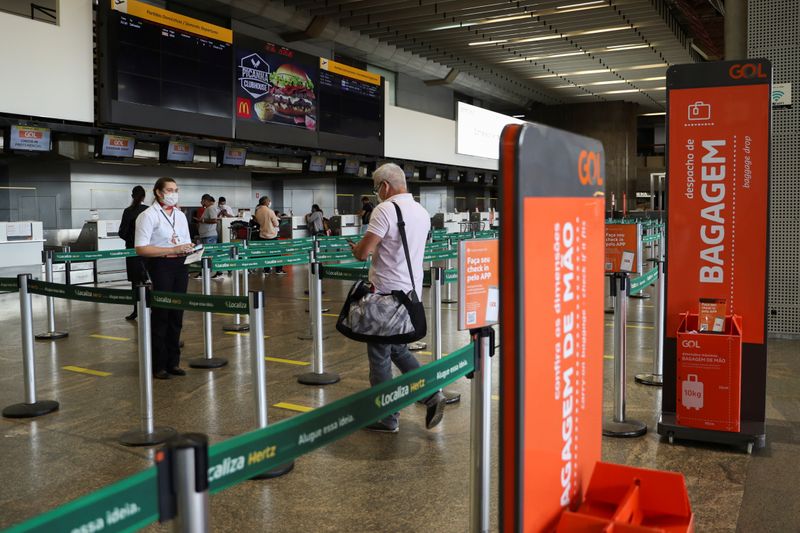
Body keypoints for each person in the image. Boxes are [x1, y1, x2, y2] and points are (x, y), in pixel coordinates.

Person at [349, 163, 446, 433]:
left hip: (385, 298)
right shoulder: (421, 211)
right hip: (410, 294)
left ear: (384, 186)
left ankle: (387, 417)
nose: (377, 193)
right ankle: (430, 394)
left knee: (379, 355)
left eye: (376, 188)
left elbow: (362, 252)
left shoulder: (385, 210)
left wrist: (357, 248)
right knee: (397, 349)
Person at [134, 177, 195, 379]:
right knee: (161, 315)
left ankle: (173, 362)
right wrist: (172, 249)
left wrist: (189, 248)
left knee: (176, 315)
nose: (174, 193)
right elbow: (141, 248)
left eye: (176, 189)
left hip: (180, 265)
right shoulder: (148, 216)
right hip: (161, 265)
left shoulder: (180, 215)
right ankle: (158, 364)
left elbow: (185, 240)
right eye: (170, 190)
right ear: (159, 192)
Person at [118, 186, 148, 321]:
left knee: (135, 282)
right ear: (144, 196)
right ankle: (150, 308)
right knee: (149, 280)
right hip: (149, 250)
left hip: (132, 251)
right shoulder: (149, 210)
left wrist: (132, 241)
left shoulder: (128, 211)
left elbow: (122, 232)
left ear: (132, 196)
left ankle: (136, 310)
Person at [254, 196, 285, 275]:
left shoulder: (257, 211)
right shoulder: (270, 211)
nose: (269, 202)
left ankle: (266, 270)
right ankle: (279, 269)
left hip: (262, 235)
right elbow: (276, 223)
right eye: (269, 201)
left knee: (265, 254)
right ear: (265, 202)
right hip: (271, 235)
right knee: (277, 253)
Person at [194, 194, 222, 279]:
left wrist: (201, 220)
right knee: (206, 255)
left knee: (209, 255)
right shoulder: (208, 209)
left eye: (202, 201)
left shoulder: (211, 208)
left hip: (209, 236)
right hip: (206, 235)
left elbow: (214, 220)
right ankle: (206, 272)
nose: (201, 202)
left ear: (205, 200)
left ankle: (210, 273)